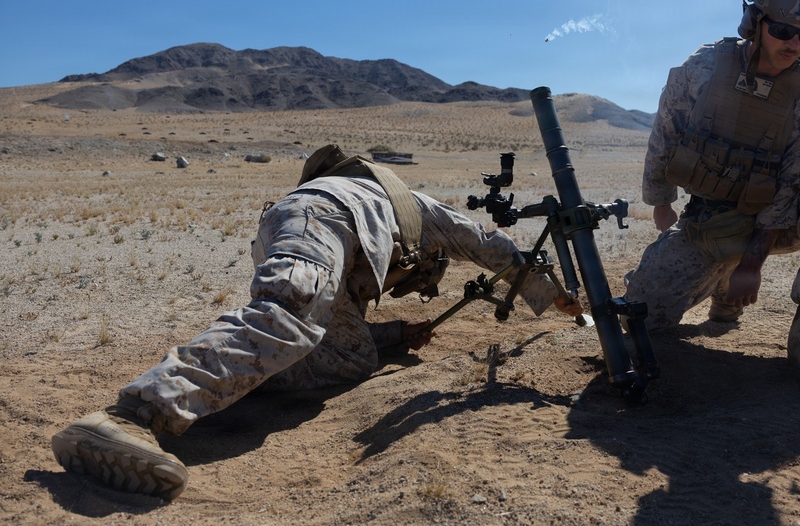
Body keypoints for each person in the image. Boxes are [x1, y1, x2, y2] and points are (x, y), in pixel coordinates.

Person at [51, 145, 582, 499]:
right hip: (320, 223)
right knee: (291, 316)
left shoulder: (379, 221)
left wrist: (396, 333)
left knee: (350, 357)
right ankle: (132, 415)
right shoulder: (407, 209)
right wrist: (556, 295)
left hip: (307, 229)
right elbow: (490, 245)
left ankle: (231, 379)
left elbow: (338, 321)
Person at [625, 0, 800, 389]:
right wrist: (661, 203)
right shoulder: (702, 68)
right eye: (781, 30)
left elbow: (796, 177)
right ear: (754, 18)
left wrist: (753, 260)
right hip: (709, 221)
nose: (794, 43)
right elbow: (664, 133)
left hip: (780, 222)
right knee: (639, 317)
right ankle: (721, 282)